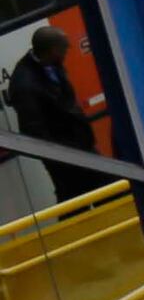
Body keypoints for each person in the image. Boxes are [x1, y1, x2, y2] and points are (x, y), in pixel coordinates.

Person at [10, 22, 114, 198]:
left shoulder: (51, 63)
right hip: (64, 156)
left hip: (80, 146)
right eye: (64, 49)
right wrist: (64, 155)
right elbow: (33, 130)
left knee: (96, 193)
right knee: (81, 195)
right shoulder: (25, 84)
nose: (67, 53)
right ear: (52, 51)